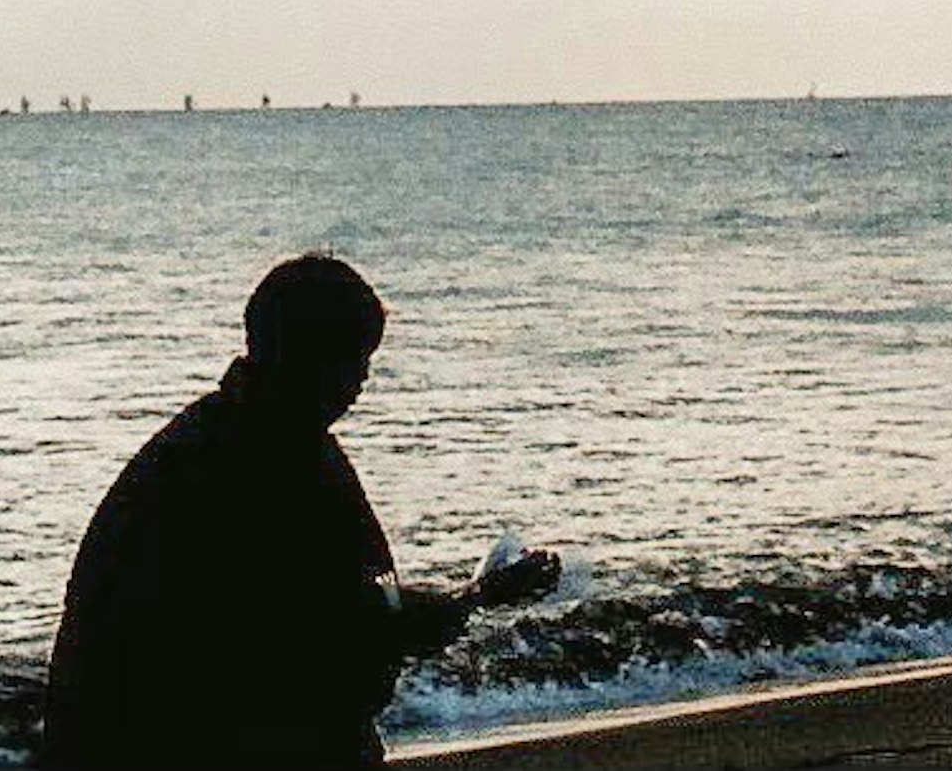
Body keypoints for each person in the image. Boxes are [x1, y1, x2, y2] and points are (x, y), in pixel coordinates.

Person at [38, 254, 563, 767]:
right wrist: (471, 600)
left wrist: (467, 599)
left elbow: (331, 611)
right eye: (353, 356)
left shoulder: (237, 441)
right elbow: (319, 635)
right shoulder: (251, 462)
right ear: (306, 353)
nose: (363, 378)